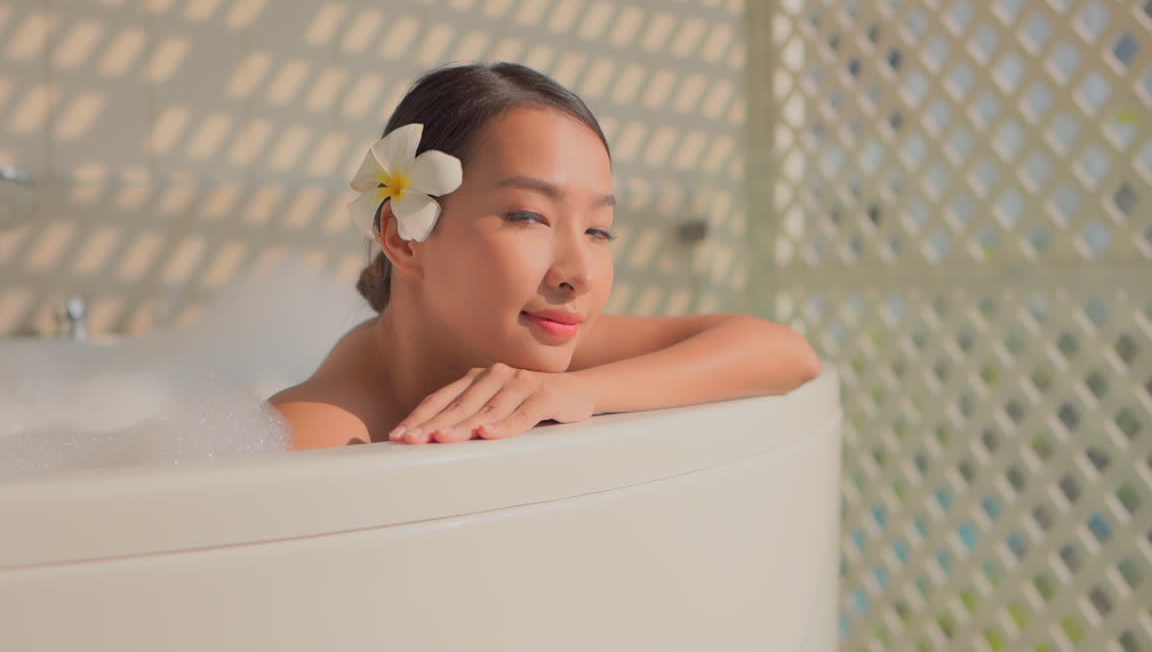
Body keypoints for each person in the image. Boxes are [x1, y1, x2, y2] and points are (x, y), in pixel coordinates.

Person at [269, 62, 822, 450]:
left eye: (599, 230)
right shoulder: (308, 440)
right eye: (529, 217)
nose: (579, 274)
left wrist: (583, 390)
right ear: (404, 239)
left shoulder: (534, 354)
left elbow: (786, 354)